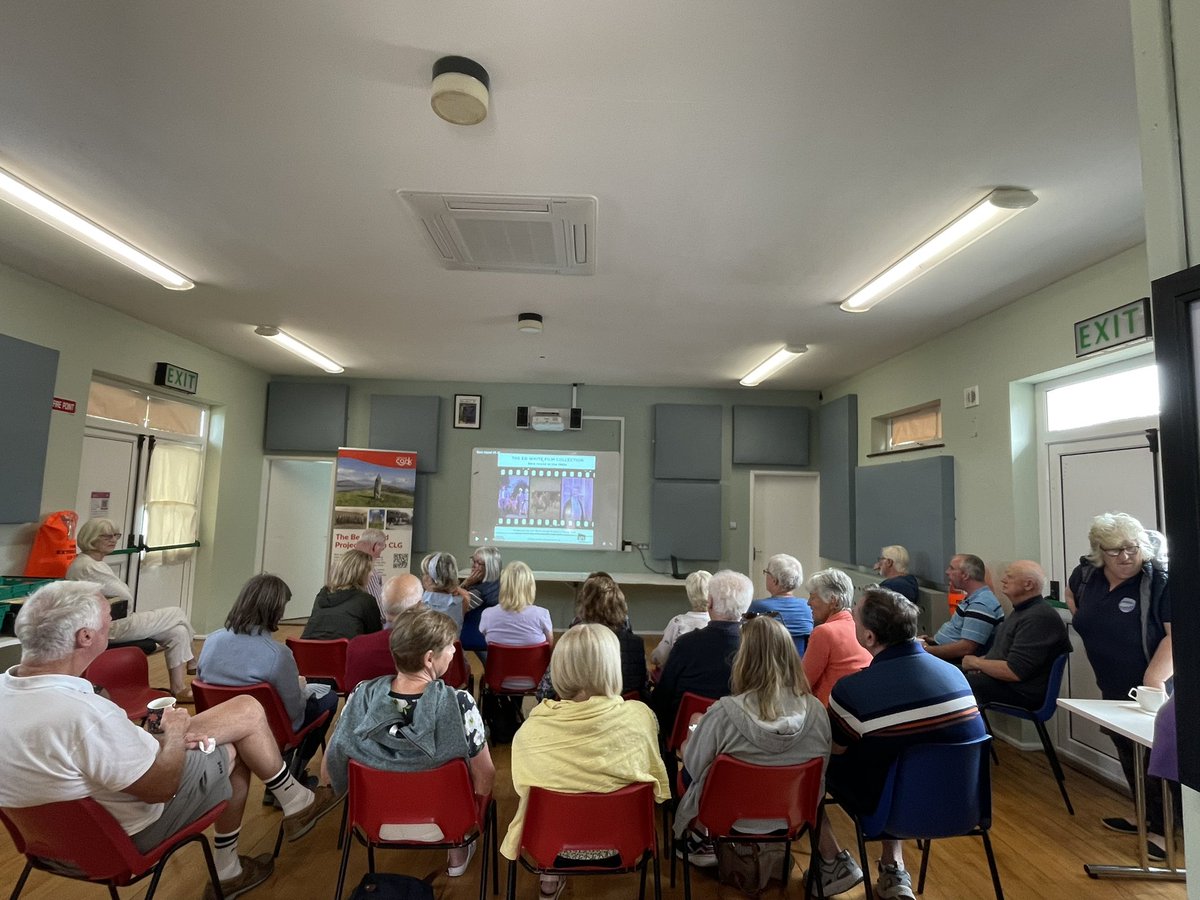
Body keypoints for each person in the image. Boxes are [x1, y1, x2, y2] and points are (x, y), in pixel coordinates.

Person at [0, 581, 342, 900]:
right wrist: (175, 735)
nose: (113, 625)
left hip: (48, 842)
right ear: (86, 637)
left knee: (244, 710)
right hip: (127, 833)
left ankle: (293, 802)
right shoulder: (84, 715)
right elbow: (160, 787)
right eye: (109, 619)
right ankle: (234, 863)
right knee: (237, 740)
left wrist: (158, 734)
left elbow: (97, 754)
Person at [816, 587, 986, 899]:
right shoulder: (955, 675)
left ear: (869, 638)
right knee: (894, 758)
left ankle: (831, 861)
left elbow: (834, 750)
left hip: (891, 809)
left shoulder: (853, 690)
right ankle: (893, 867)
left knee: (811, 766)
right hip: (964, 805)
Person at [322, 606, 495, 878]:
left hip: (374, 821)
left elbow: (329, 769)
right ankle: (458, 849)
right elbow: (485, 775)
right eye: (449, 646)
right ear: (429, 658)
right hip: (444, 822)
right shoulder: (460, 703)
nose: (453, 651)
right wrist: (475, 817)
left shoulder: (360, 697)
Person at [501, 624, 670, 898]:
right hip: (624, 845)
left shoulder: (530, 731)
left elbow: (524, 791)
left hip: (551, 847)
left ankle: (550, 877)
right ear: (612, 668)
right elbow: (652, 779)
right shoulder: (641, 718)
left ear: (559, 669)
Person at [673, 615, 831, 866]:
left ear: (743, 659)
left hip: (725, 816)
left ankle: (699, 840)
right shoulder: (817, 712)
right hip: (792, 815)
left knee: (690, 766)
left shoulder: (724, 712)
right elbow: (821, 768)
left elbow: (692, 768)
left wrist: (686, 745)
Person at [1066, 512, 1174, 857]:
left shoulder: (1160, 580)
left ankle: (1163, 830)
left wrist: (1153, 679)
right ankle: (1144, 815)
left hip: (1151, 687)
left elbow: (1178, 636)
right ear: (1099, 551)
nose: (1126, 557)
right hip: (1111, 682)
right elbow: (1073, 599)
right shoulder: (1085, 576)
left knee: (1156, 755)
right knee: (1127, 749)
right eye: (1115, 551)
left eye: (1132, 548)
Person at [197, 575, 339, 788]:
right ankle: (293, 773)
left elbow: (203, 681)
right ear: (275, 611)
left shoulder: (212, 640)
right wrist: (302, 689)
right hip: (270, 729)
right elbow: (295, 715)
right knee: (329, 698)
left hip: (220, 727)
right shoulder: (278, 655)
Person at [65, 517, 197, 701]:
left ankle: (178, 688)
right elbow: (126, 596)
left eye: (115, 536)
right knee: (177, 613)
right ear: (91, 538)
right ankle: (194, 662)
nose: (113, 540)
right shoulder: (88, 566)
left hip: (113, 621)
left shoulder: (90, 562)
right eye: (106, 537)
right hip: (109, 627)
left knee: (178, 631)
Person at [652, 570, 752, 736]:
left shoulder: (686, 644)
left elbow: (663, 696)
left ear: (710, 602)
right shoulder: (756, 646)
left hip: (688, 731)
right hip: (740, 733)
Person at [962, 561, 1071, 708]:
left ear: (1028, 585)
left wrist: (975, 662)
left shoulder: (1038, 617)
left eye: (1010, 577)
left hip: (1022, 692)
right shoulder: (1023, 610)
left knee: (951, 684)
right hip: (1007, 684)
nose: (1003, 580)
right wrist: (982, 663)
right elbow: (1003, 654)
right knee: (948, 675)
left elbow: (1014, 671)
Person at [536, 573, 648, 700]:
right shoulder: (636, 644)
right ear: (620, 604)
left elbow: (544, 692)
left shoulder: (570, 643)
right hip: (624, 713)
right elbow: (643, 688)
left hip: (577, 715)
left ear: (584, 604)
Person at [802, 568, 872, 705]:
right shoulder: (862, 627)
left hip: (830, 714)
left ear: (833, 601)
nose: (808, 602)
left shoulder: (824, 632)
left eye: (813, 596)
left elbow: (801, 683)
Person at [344, 573, 424, 693]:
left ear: (382, 602)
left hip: (364, 710)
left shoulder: (356, 645)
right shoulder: (428, 647)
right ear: (419, 605)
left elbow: (349, 689)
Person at [920, 554, 1003, 663]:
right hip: (940, 650)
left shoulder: (981, 604)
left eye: (952, 568)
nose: (947, 572)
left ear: (965, 575)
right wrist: (930, 641)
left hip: (953, 661)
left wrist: (926, 650)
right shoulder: (973, 598)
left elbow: (966, 648)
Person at [301, 549, 383, 640]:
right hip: (344, 652)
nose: (372, 575)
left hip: (307, 651)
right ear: (360, 573)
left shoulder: (322, 595)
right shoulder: (366, 600)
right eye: (370, 570)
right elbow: (375, 638)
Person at [649, 570, 712, 679]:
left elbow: (661, 656)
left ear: (689, 594)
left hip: (680, 683)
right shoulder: (718, 624)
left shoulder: (677, 622)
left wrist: (653, 657)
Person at [747, 554, 813, 655]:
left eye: (766, 572)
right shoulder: (808, 606)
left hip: (768, 666)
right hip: (799, 666)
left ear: (774, 580)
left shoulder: (756, 607)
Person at [478, 561, 554, 646]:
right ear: (530, 586)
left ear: (503, 585)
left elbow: (487, 641)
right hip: (533, 659)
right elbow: (549, 647)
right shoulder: (542, 614)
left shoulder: (487, 614)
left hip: (500, 659)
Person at [459, 546, 502, 661]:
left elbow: (453, 607)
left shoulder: (478, 592)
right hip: (493, 634)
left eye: (479, 563)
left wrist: (465, 583)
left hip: (474, 635)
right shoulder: (500, 583)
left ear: (490, 567)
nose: (473, 565)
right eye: (473, 560)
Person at [420, 551, 470, 629]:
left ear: (430, 578)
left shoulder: (420, 601)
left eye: (424, 573)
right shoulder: (464, 600)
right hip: (453, 641)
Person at [352, 529, 387, 612]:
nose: (378, 556)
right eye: (381, 549)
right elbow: (377, 604)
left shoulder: (344, 563)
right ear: (375, 546)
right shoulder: (368, 571)